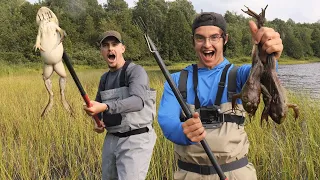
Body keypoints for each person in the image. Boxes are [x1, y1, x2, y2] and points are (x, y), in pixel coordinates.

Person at [157, 12, 283, 179]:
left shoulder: (240, 76)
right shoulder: (175, 81)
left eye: (214, 37)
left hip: (236, 173)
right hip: (189, 174)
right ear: (193, 41)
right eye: (200, 38)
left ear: (225, 39)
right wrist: (182, 131)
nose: (207, 44)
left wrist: (267, 54)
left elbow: (265, 74)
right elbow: (166, 120)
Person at [83, 30, 157, 180]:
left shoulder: (136, 71)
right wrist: (97, 120)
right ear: (101, 52)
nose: (110, 48)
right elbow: (99, 108)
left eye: (114, 44)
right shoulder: (104, 78)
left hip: (136, 138)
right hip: (112, 138)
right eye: (105, 46)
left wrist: (105, 107)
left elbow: (138, 101)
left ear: (122, 48)